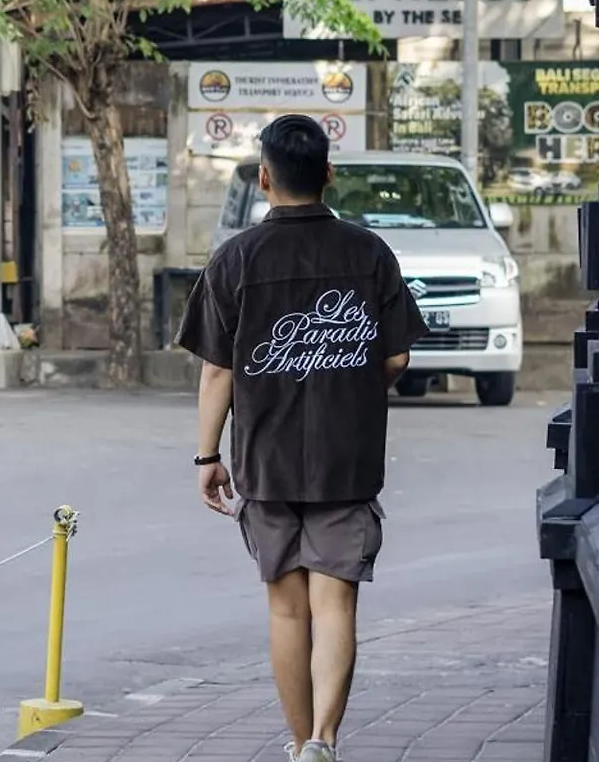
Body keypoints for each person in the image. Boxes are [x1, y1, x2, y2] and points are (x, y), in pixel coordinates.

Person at [175, 114, 427, 762]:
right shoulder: (369, 253)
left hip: (267, 458)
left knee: (287, 612)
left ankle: (296, 744)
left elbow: (216, 371)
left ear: (264, 179)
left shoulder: (235, 260)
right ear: (328, 175)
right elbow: (397, 358)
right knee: (335, 604)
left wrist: (208, 455)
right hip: (347, 459)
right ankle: (325, 739)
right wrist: (350, 380)